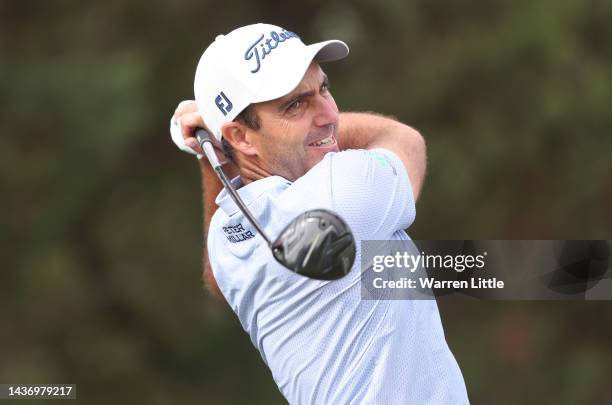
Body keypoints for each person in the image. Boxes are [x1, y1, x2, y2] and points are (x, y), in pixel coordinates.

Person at [170, 23, 469, 404]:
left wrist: (209, 151)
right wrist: (215, 141)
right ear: (242, 137)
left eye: (323, 88)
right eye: (295, 104)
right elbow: (403, 139)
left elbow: (219, 277)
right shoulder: (342, 194)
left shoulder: (227, 238)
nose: (329, 113)